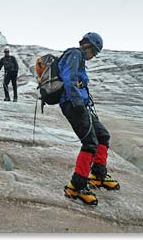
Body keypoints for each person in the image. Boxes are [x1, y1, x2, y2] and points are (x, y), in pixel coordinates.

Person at [59, 32, 120, 206]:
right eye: (94, 52)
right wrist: (77, 103)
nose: (94, 56)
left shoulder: (80, 60)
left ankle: (98, 175)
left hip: (82, 105)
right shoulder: (74, 54)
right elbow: (68, 78)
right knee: (90, 143)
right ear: (88, 46)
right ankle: (76, 186)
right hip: (73, 104)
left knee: (103, 136)